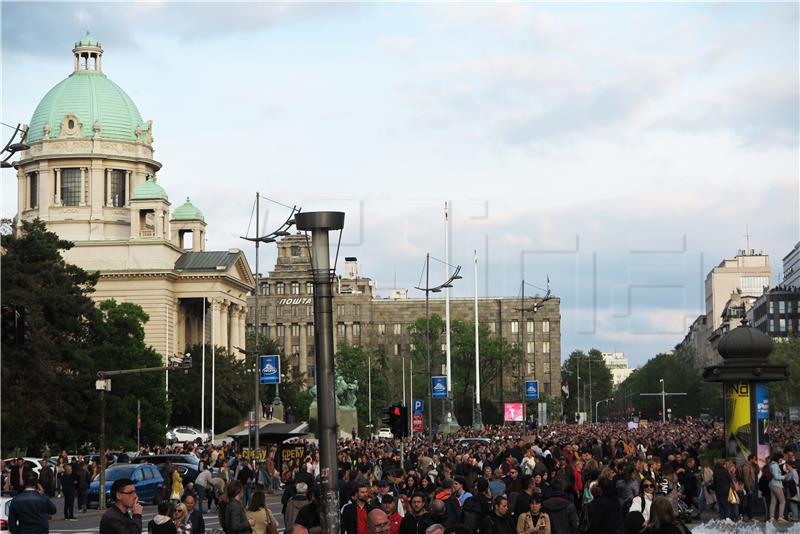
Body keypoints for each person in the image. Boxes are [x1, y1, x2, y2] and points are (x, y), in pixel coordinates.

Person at [768, 452, 788, 523]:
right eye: (781, 459)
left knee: (773, 501)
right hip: (776, 485)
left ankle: (771, 517)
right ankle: (780, 517)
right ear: (778, 458)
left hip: (771, 484)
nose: (781, 460)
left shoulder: (771, 464)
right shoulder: (775, 465)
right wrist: (784, 477)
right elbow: (776, 476)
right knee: (782, 501)